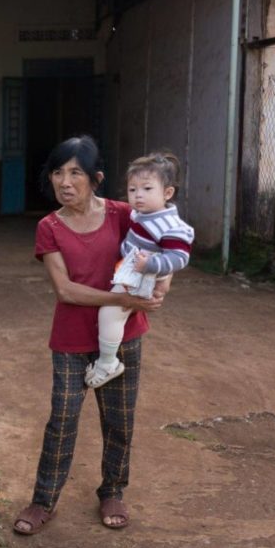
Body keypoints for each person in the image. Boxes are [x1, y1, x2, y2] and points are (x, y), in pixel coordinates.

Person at [12, 135, 170, 535]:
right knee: (62, 418)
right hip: (71, 338)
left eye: (75, 173)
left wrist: (161, 284)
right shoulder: (49, 227)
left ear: (96, 178)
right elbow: (65, 290)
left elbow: (164, 240)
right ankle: (43, 500)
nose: (65, 182)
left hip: (123, 335)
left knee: (119, 419)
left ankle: (113, 491)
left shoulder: (123, 214)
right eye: (57, 173)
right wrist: (122, 299)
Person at [86, 152, 194, 388]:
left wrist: (152, 267)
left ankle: (107, 362)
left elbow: (179, 257)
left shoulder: (171, 225)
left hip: (141, 275)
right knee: (112, 312)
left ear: (167, 193)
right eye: (132, 189)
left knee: (110, 313)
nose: (138, 195)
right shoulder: (143, 214)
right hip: (133, 269)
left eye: (147, 188)